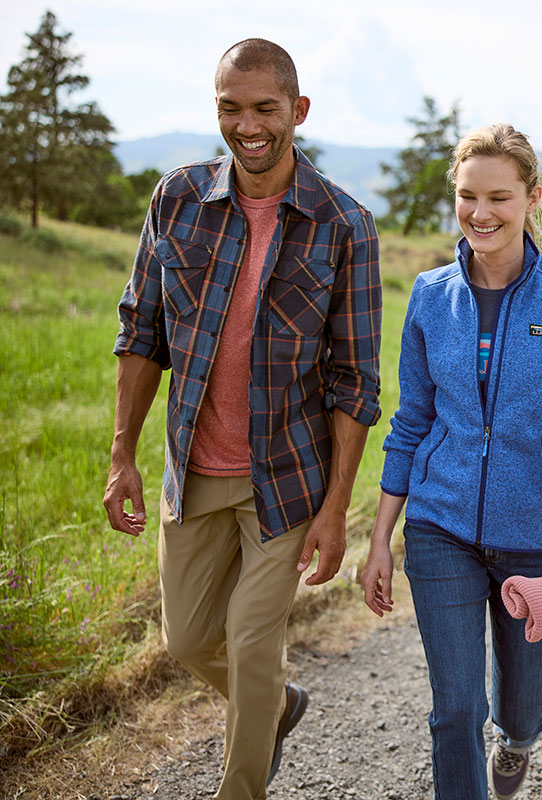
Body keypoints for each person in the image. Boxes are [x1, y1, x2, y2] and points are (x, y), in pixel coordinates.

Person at [102, 38, 381, 800]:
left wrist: (335, 508)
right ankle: (278, 708)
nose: (247, 125)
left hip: (284, 479)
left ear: (298, 111)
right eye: (231, 107)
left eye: (265, 109)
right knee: (189, 640)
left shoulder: (343, 225)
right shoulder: (178, 199)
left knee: (253, 643)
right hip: (191, 469)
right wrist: (122, 454)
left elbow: (355, 381)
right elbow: (141, 332)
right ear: (216, 107)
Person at [360, 123, 542, 800]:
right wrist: (380, 537)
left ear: (531, 198)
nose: (481, 213)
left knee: (520, 707)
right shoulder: (428, 295)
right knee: (456, 709)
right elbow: (412, 420)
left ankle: (521, 741)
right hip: (440, 530)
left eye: (499, 196)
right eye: (468, 196)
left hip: (535, 537)